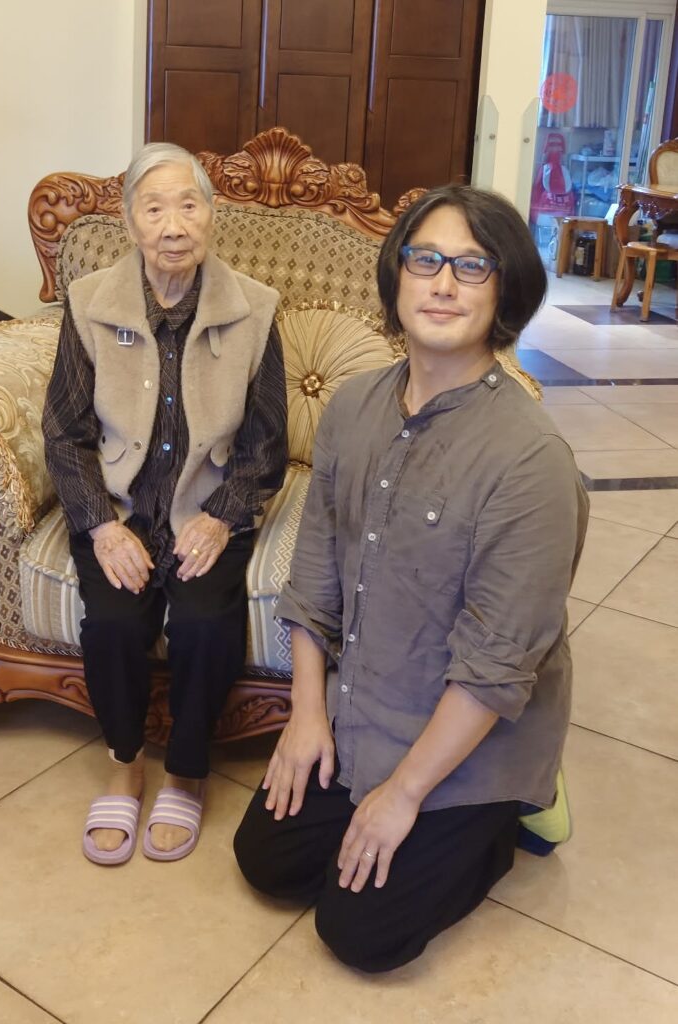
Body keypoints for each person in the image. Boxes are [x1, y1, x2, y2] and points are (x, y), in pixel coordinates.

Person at [233, 185, 589, 971]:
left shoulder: (530, 461)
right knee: (268, 861)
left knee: (363, 934)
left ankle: (511, 811)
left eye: (472, 265)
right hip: (367, 707)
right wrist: (306, 716)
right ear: (396, 276)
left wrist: (401, 794)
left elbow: (495, 666)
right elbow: (315, 572)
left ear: (504, 291)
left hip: (470, 734)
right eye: (425, 260)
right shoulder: (354, 406)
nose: (443, 283)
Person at [42, 142, 287, 865]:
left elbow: (267, 441)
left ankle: (185, 772)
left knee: (207, 624)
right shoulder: (90, 303)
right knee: (114, 624)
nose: (173, 225)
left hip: (207, 507)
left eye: (188, 205)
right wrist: (100, 526)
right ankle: (124, 764)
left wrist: (221, 516)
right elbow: (64, 432)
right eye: (154, 209)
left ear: (211, 214)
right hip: (119, 508)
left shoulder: (255, 308)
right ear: (130, 224)